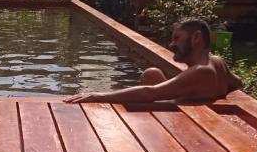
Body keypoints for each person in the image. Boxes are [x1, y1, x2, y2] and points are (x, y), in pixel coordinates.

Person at [65, 18, 242, 104]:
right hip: (188, 112)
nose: (172, 44)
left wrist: (98, 96)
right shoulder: (217, 62)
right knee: (152, 74)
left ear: (196, 38)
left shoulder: (201, 72)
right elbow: (238, 83)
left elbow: (149, 93)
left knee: (148, 84)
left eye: (177, 38)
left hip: (184, 123)